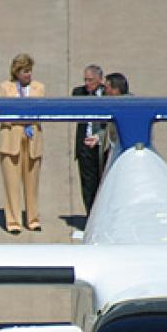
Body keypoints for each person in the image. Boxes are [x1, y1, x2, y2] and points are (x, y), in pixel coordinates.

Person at [0, 53, 44, 234]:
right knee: (12, 183)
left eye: (30, 71)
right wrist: (20, 121)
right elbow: (1, 114)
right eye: (25, 71)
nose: (28, 75)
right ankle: (13, 221)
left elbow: (40, 111)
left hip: (32, 140)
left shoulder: (39, 88)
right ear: (16, 72)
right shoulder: (5, 88)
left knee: (32, 184)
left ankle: (33, 219)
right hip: (11, 139)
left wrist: (29, 122)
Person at [72, 64, 105, 219]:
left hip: (102, 147)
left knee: (103, 184)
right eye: (85, 79)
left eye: (90, 80)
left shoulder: (108, 95)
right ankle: (90, 217)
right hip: (85, 146)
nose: (87, 83)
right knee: (88, 185)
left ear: (100, 80)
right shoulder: (80, 93)